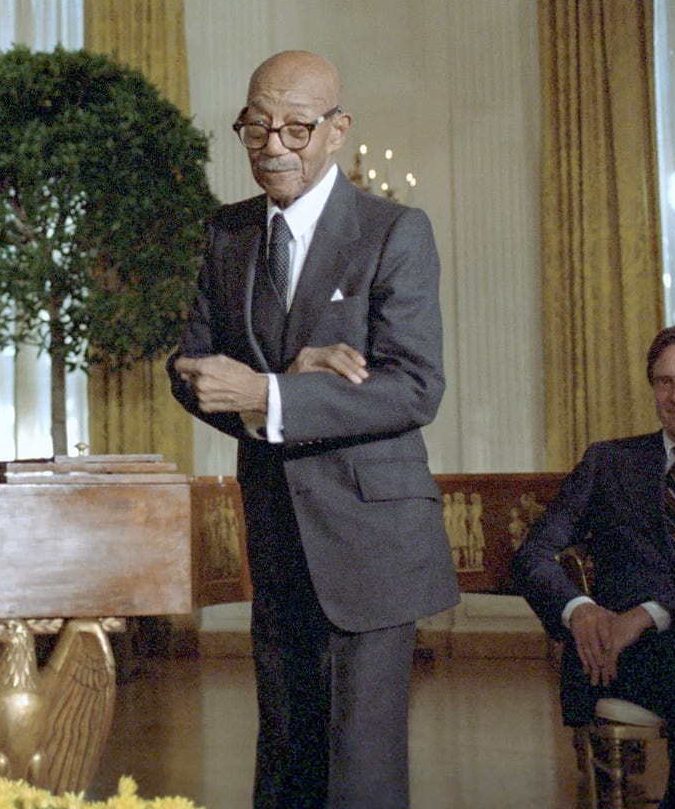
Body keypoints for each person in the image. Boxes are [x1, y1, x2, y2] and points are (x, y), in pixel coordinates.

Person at [169, 50, 457, 809]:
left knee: (359, 774)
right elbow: (190, 367)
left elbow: (415, 386)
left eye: (296, 128)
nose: (273, 147)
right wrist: (279, 380)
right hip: (277, 534)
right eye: (256, 126)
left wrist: (272, 392)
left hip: (371, 544)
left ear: (338, 131)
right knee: (287, 762)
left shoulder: (393, 230)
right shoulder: (227, 234)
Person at [511, 324, 675, 809]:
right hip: (618, 658)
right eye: (664, 381)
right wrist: (580, 610)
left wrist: (647, 614)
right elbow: (532, 556)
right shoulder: (608, 463)